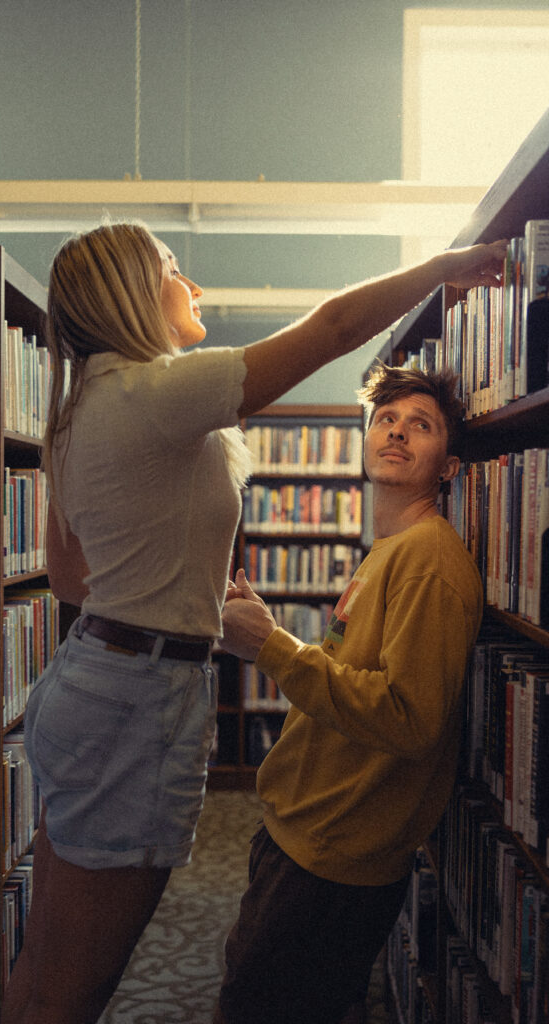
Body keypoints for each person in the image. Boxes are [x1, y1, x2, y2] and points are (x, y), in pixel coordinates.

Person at [1, 220, 506, 1024]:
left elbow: (70, 575)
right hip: (137, 699)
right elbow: (333, 329)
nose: (193, 286)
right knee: (79, 986)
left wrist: (166, 571)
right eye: (173, 268)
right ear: (133, 291)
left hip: (89, 677)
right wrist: (445, 266)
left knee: (47, 961)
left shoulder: (78, 404)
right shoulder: (156, 389)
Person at [213, 363, 486, 1024]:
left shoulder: (428, 558)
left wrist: (269, 646)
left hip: (334, 856)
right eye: (386, 420)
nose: (396, 433)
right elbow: (345, 672)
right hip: (308, 834)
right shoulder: (389, 549)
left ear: (447, 466)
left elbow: (408, 717)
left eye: (420, 426)